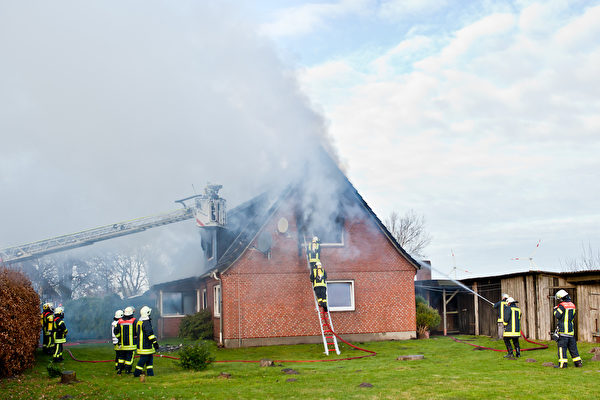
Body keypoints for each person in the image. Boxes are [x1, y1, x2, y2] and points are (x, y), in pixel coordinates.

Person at [554, 289, 582, 368]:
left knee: (562, 349)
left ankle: (562, 364)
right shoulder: (572, 305)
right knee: (573, 349)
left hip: (563, 332)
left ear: (561, 298)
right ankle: (578, 363)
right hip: (570, 332)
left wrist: (555, 309)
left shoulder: (562, 306)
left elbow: (557, 315)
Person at [133, 306, 159, 377]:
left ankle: (150, 374)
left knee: (149, 360)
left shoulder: (140, 322)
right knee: (143, 360)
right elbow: (150, 334)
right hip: (146, 346)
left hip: (143, 345)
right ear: (148, 313)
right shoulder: (146, 323)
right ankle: (137, 373)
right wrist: (155, 343)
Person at [114, 306, 137, 374]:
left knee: (121, 357)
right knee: (129, 358)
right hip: (131, 345)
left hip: (122, 344)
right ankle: (127, 370)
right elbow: (137, 330)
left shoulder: (120, 321)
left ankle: (119, 370)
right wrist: (136, 336)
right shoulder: (134, 320)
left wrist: (119, 338)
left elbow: (115, 331)